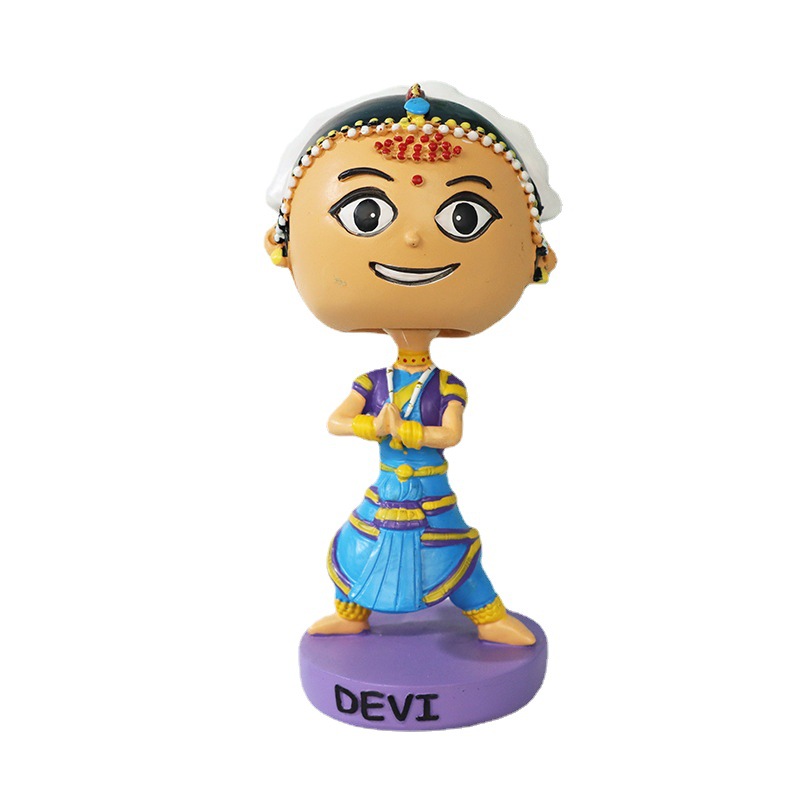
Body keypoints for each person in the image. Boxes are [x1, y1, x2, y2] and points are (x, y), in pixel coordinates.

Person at [265, 83, 560, 645]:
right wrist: (371, 425)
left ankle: (488, 617)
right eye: (367, 212)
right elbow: (335, 420)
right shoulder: (372, 383)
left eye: (464, 216)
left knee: (454, 550)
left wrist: (409, 431)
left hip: (429, 490)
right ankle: (352, 613)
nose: (413, 237)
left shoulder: (445, 384)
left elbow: (451, 434)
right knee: (360, 545)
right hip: (388, 491)